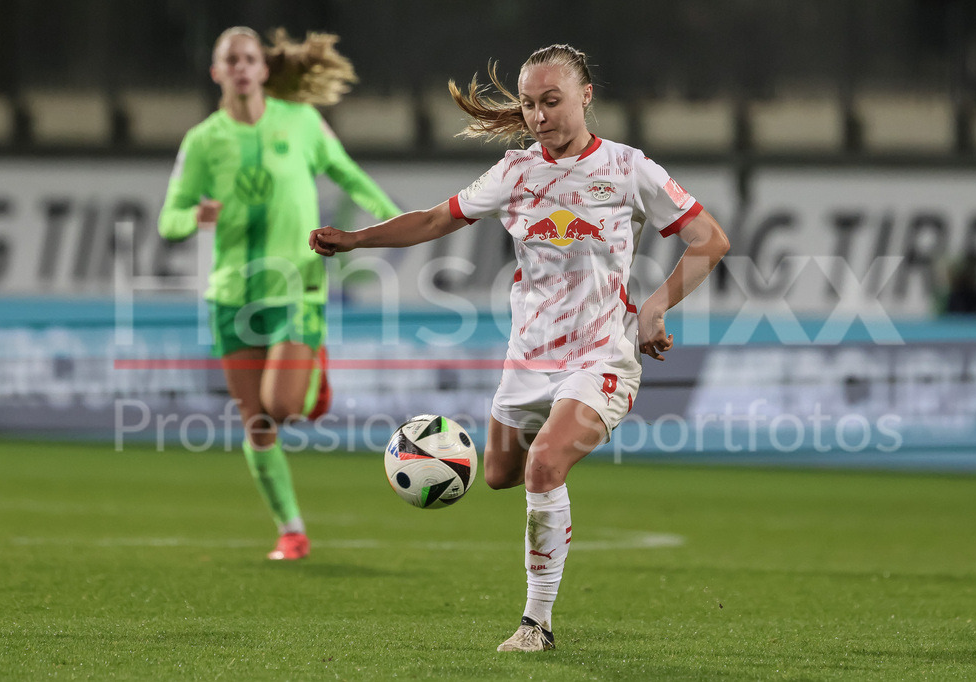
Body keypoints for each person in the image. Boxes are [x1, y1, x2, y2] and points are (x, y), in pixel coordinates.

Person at [309, 44, 729, 650]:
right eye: (530, 105)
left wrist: (655, 308)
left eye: (551, 101)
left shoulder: (626, 168)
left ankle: (537, 624)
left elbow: (709, 239)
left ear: (586, 96)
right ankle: (548, 459)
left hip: (602, 356)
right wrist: (356, 239)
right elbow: (433, 220)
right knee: (500, 474)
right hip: (529, 357)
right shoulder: (515, 173)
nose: (539, 116)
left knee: (543, 465)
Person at [158, 26, 401, 561]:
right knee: (258, 423)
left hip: (297, 286)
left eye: (249, 58)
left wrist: (394, 219)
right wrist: (194, 216)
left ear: (263, 69)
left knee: (285, 406)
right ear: (217, 72)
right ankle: (291, 531)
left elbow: (347, 173)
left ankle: (313, 376)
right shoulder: (203, 141)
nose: (241, 67)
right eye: (231, 60)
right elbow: (168, 219)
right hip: (232, 296)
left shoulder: (301, 122)